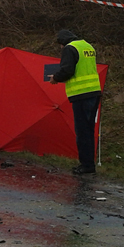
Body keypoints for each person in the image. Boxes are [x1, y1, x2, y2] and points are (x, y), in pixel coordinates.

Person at [49, 30, 103, 174]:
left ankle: (86, 165)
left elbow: (68, 70)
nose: (60, 48)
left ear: (63, 42)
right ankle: (89, 163)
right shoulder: (87, 46)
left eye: (60, 45)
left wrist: (56, 78)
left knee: (82, 131)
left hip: (81, 94)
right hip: (94, 91)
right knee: (89, 130)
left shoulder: (69, 48)